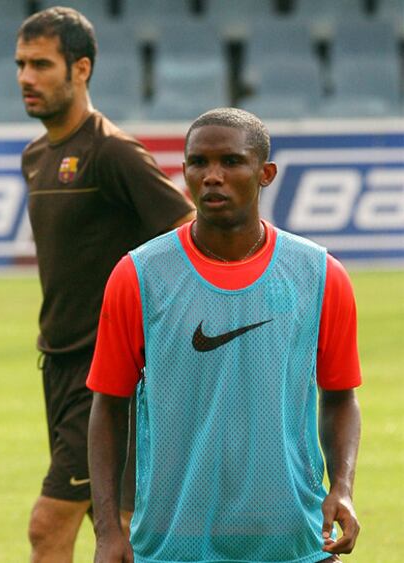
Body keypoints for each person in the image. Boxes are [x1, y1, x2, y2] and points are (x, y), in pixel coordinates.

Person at [87, 107, 361, 563]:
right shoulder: (137, 275)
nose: (212, 176)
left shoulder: (319, 274)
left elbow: (340, 397)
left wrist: (343, 487)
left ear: (265, 173)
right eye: (198, 162)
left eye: (231, 162)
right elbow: (108, 407)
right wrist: (106, 532)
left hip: (293, 540)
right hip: (175, 542)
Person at [15, 7, 194, 563]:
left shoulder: (112, 151)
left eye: (42, 64)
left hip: (106, 374)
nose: (26, 77)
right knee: (118, 527)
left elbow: (188, 228)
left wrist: (150, 327)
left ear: (81, 69)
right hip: (60, 367)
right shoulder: (36, 156)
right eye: (20, 64)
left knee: (49, 526)